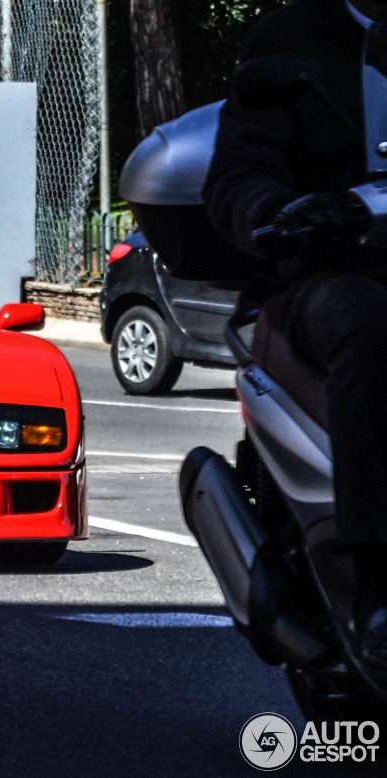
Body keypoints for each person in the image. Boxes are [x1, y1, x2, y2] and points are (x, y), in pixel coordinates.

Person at [203, 0, 387, 670]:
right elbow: (239, 172)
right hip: (334, 273)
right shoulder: (290, 41)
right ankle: (375, 587)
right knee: (372, 325)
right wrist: (276, 214)